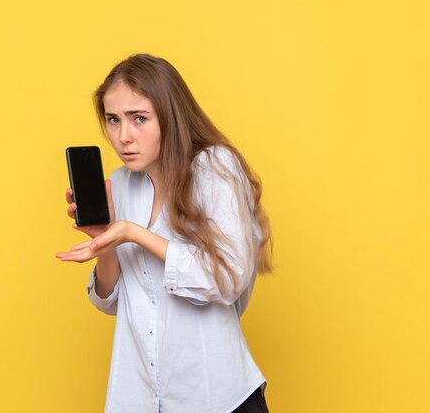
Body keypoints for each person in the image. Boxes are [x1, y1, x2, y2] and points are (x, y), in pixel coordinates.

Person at [56, 53, 273, 413]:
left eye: (139, 118)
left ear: (169, 117)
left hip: (216, 396)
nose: (124, 136)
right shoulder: (122, 184)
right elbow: (109, 300)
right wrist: (105, 238)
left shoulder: (215, 168)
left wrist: (134, 233)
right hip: (141, 396)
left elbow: (228, 279)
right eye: (113, 120)